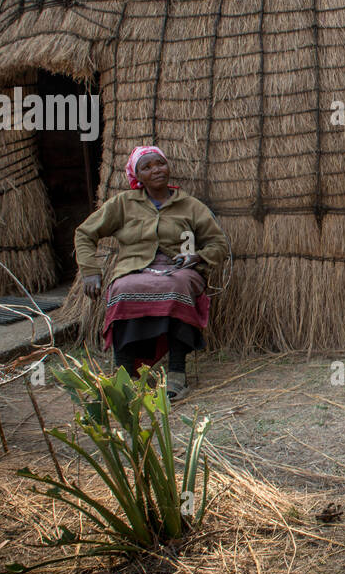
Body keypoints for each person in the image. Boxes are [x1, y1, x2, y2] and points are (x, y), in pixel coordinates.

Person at [74, 145, 230, 400]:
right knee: (122, 289)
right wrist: (90, 271)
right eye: (147, 167)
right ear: (137, 176)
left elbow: (218, 244)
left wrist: (197, 257)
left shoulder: (189, 205)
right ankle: (124, 373)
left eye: (160, 163)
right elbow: (84, 233)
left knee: (177, 287)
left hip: (179, 269)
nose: (156, 169)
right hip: (134, 268)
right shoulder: (123, 204)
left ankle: (177, 372)